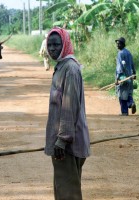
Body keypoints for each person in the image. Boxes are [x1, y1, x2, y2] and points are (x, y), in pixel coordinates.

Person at [45, 27, 90, 200]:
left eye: (56, 44)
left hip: (67, 146)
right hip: (63, 144)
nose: (52, 48)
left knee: (68, 194)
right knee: (63, 190)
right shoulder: (62, 66)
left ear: (65, 44)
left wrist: (62, 140)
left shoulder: (70, 69)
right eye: (49, 44)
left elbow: (69, 107)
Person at [115, 37, 136, 116]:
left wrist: (118, 78)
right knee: (129, 93)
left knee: (122, 94)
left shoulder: (120, 53)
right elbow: (132, 64)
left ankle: (124, 112)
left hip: (122, 77)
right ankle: (131, 103)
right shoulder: (128, 53)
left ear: (123, 44)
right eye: (117, 44)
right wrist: (134, 73)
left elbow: (120, 67)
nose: (117, 45)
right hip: (130, 76)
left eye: (119, 44)